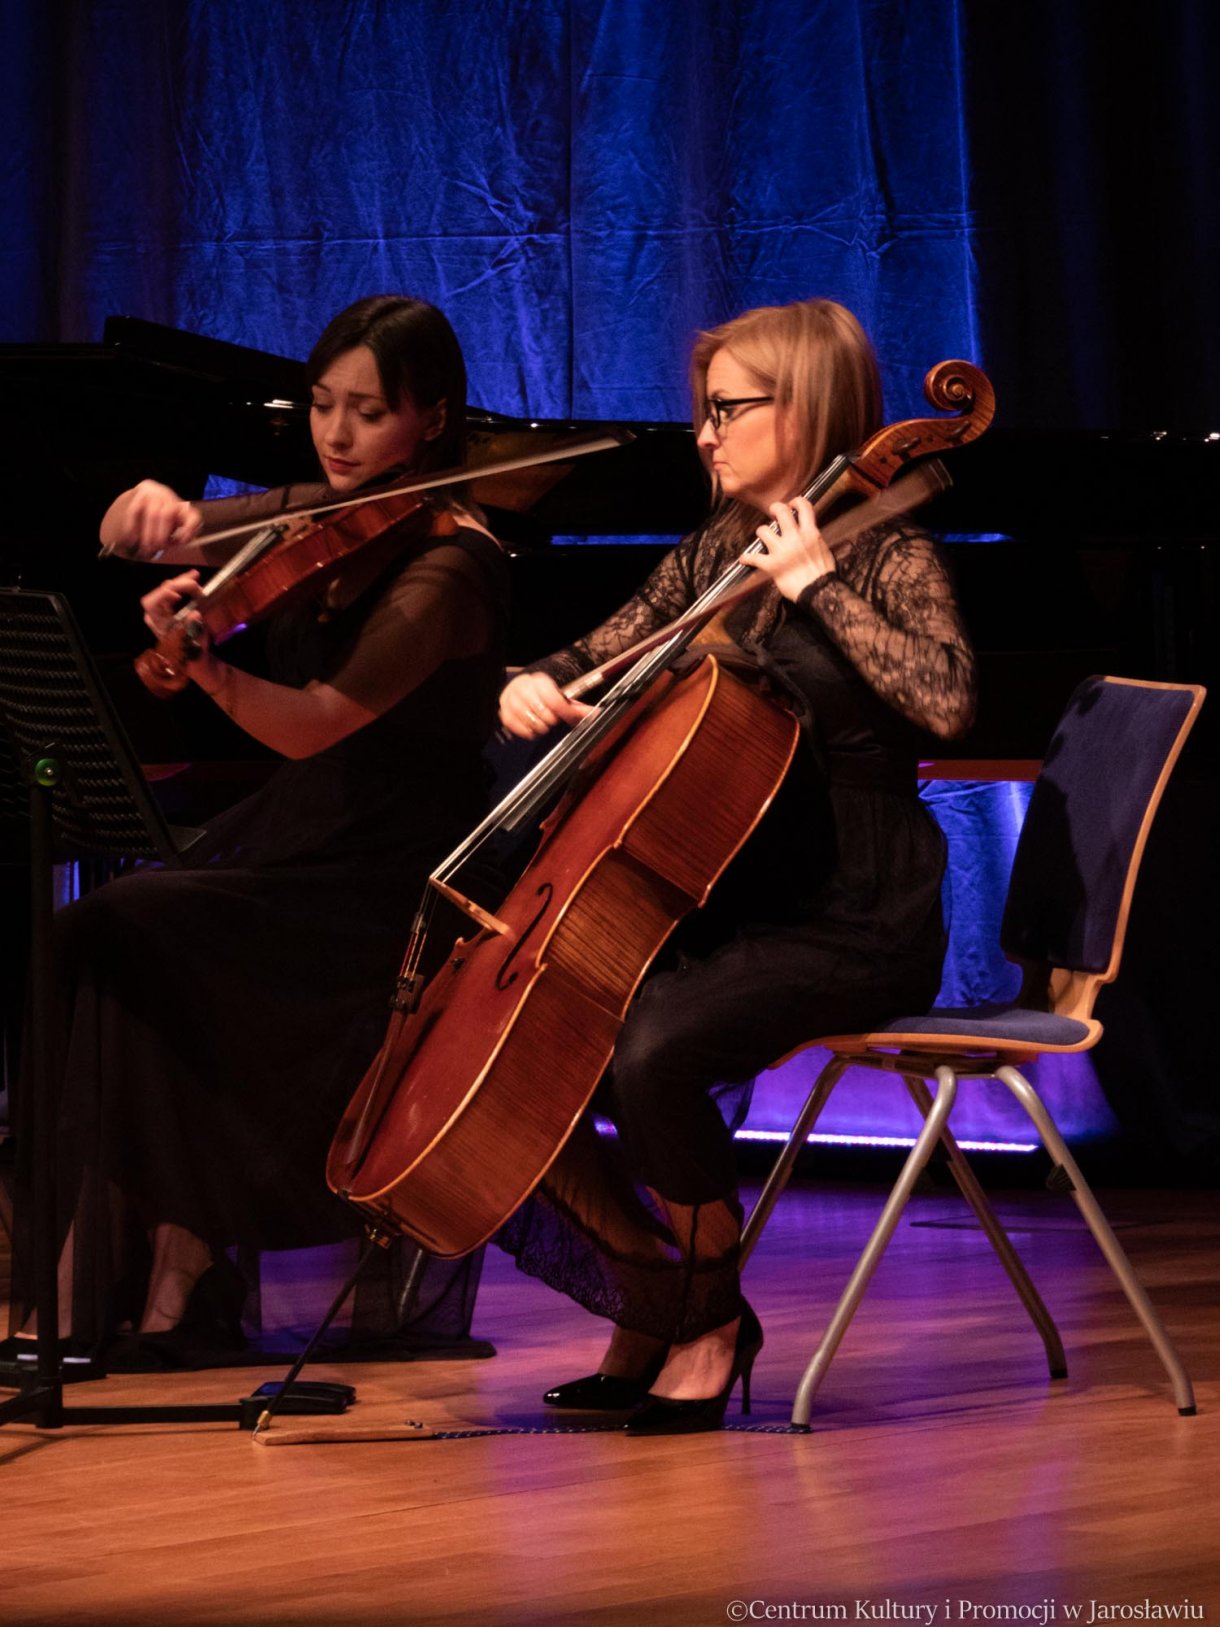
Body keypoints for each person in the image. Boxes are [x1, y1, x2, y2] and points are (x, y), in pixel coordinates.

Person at [496, 297, 977, 1433]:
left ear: (802, 411)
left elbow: (949, 702)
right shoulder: (714, 552)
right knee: (540, 1032)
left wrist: (817, 588)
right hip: (738, 897)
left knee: (654, 1049)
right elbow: (595, 649)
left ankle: (708, 1319)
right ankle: (657, 1290)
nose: (702, 433)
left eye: (726, 410)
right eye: (700, 412)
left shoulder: (886, 547)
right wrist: (528, 679)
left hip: (858, 913)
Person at [8, 294, 509, 1368]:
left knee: (132, 921)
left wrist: (207, 670)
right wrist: (139, 509)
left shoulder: (452, 562)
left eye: (367, 412)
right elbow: (140, 536)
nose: (336, 433)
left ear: (429, 418)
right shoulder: (320, 513)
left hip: (385, 875)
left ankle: (174, 1277)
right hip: (302, 836)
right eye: (323, 404)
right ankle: (130, 1279)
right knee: (102, 936)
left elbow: (313, 725)